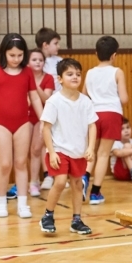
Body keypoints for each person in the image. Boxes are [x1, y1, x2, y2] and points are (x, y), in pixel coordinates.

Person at [0, 34, 44, 219]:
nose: (16, 59)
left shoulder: (27, 72)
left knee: (21, 163)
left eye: (20, 55)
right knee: (5, 163)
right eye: (12, 55)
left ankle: (22, 204)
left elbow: (35, 98)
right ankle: (2, 201)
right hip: (1, 123)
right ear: (4, 53)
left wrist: (43, 121)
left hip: (22, 123)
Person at [39, 58, 97, 235]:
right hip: (59, 151)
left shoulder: (86, 101)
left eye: (78, 74)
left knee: (78, 184)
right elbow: (46, 128)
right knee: (60, 181)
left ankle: (76, 220)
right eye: (70, 74)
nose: (75, 77)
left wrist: (91, 148)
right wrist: (52, 152)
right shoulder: (54, 101)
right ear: (60, 79)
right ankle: (48, 216)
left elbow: (92, 126)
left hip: (78, 152)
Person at [82, 36, 128, 205]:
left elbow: (84, 96)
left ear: (96, 53)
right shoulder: (117, 72)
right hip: (111, 114)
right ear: (114, 55)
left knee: (90, 151)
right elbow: (124, 98)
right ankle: (95, 193)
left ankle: (84, 176)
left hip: (93, 114)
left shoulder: (90, 73)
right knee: (103, 154)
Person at [36, 27, 63, 190]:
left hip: (58, 106)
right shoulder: (36, 61)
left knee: (58, 141)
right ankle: (47, 174)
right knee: (42, 142)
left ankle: (60, 173)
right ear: (45, 45)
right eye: (55, 43)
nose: (58, 46)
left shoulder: (59, 61)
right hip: (41, 106)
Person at [27, 49, 55, 197]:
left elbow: (46, 99)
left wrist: (34, 86)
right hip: (25, 116)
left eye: (41, 60)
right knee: (25, 151)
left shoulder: (48, 78)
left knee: (36, 149)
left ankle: (33, 183)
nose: (38, 62)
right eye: (34, 59)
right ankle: (33, 180)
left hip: (42, 116)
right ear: (27, 62)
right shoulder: (23, 76)